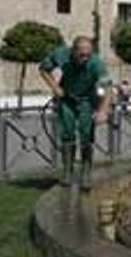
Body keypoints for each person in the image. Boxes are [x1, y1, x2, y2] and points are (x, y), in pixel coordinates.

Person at [39, 36, 112, 191]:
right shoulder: (60, 55)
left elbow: (107, 88)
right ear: (73, 51)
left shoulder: (96, 63)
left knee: (86, 135)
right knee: (67, 134)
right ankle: (67, 172)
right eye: (81, 54)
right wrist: (54, 87)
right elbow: (43, 68)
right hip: (67, 99)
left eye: (88, 54)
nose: (85, 58)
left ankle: (86, 173)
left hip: (86, 100)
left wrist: (103, 111)